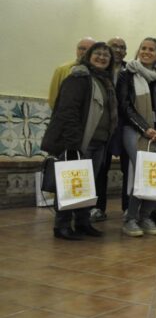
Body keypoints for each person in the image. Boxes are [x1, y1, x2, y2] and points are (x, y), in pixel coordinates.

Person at [41, 42, 117, 240]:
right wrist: (73, 143)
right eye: (97, 54)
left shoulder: (106, 80)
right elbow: (68, 111)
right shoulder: (79, 77)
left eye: (106, 55)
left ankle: (83, 222)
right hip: (80, 141)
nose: (101, 57)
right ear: (88, 56)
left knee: (87, 185)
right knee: (70, 183)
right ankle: (62, 225)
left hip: (99, 142)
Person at [117, 38, 156, 237]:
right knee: (142, 171)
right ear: (138, 50)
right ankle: (130, 218)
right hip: (135, 130)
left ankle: (146, 217)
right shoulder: (127, 74)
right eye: (144, 48)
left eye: (152, 50)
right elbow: (124, 105)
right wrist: (144, 128)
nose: (147, 52)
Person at [92, 36, 128, 223]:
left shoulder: (130, 71)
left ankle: (127, 208)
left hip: (124, 126)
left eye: (122, 47)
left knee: (127, 168)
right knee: (100, 168)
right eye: (114, 46)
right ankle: (98, 207)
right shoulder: (98, 71)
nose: (118, 50)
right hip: (103, 127)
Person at [48, 37, 95, 108]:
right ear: (76, 50)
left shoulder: (98, 72)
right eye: (81, 48)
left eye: (89, 50)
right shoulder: (62, 70)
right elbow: (53, 98)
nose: (85, 52)